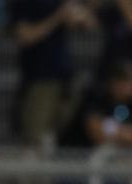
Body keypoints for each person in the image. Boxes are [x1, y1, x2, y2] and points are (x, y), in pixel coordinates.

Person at [11, 0, 95, 149]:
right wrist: (57, 17)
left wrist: (84, 12)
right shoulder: (24, 3)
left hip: (65, 78)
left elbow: (88, 24)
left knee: (62, 135)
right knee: (34, 138)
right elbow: (25, 36)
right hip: (40, 78)